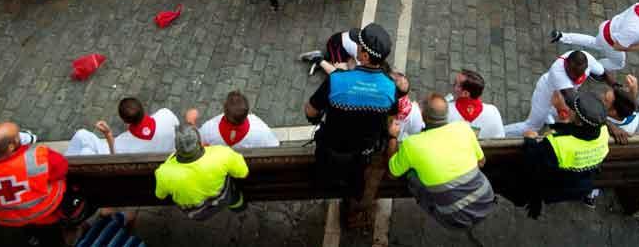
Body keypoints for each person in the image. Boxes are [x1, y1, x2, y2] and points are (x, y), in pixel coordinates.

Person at [303, 24, 398, 229]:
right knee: (356, 181)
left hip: (330, 150)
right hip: (361, 155)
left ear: (363, 55)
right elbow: (390, 122)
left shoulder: (337, 80)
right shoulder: (390, 88)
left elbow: (310, 111)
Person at [387, 93, 496, 230]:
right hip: (486, 199)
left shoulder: (412, 144)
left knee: (411, 175)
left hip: (455, 219)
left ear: (423, 116)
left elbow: (392, 173)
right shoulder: (463, 128)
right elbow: (481, 162)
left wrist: (392, 137)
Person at [0, 122, 86, 230]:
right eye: (17, 137)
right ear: (10, 147)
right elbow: (61, 168)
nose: (20, 137)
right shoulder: (38, 156)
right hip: (45, 209)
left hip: (7, 219)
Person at [501, 91, 610, 216]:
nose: (569, 109)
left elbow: (533, 163)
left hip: (557, 186)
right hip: (581, 181)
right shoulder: (603, 132)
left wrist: (530, 140)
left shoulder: (557, 144)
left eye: (572, 109)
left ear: (579, 122)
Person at [550, 0, 639, 72]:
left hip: (607, 28)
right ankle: (592, 68)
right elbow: (618, 47)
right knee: (618, 63)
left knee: (594, 42)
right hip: (611, 42)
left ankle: (561, 36)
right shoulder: (635, 29)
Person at [504, 50, 613, 136]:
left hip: (561, 98)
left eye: (580, 74)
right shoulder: (558, 72)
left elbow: (603, 73)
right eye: (573, 73)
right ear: (566, 64)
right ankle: (501, 132)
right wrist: (604, 121)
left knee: (556, 114)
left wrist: (615, 86)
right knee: (532, 127)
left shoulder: (587, 59)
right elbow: (573, 101)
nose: (576, 77)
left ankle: (548, 117)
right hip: (545, 95)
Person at [65, 97, 180, 155]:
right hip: (164, 154)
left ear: (125, 121)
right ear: (142, 109)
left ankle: (67, 163)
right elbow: (176, 123)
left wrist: (108, 134)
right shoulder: (165, 114)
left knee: (82, 137)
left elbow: (114, 155)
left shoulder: (125, 140)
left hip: (131, 158)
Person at [198, 91, 281, 149]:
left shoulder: (209, 128)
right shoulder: (260, 128)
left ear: (225, 109)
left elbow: (198, 142)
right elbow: (275, 145)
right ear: (247, 112)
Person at [446, 69, 505, 139]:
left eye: (456, 84)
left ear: (465, 93)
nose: (453, 85)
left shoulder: (446, 109)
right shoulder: (493, 110)